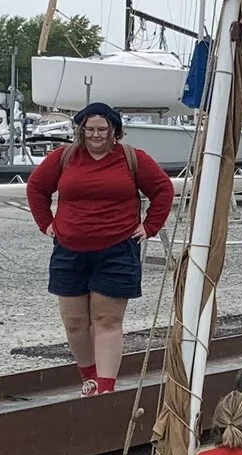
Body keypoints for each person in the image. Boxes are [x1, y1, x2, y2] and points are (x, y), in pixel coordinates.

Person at [27, 102, 174, 395]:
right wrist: (46, 223)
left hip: (117, 249)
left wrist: (149, 226)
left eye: (102, 129)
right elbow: (36, 187)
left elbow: (163, 189)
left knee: (106, 320)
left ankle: (106, 387)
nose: (96, 135)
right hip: (69, 249)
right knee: (74, 321)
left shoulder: (132, 158)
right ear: (81, 130)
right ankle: (89, 378)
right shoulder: (64, 157)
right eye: (90, 129)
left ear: (113, 130)